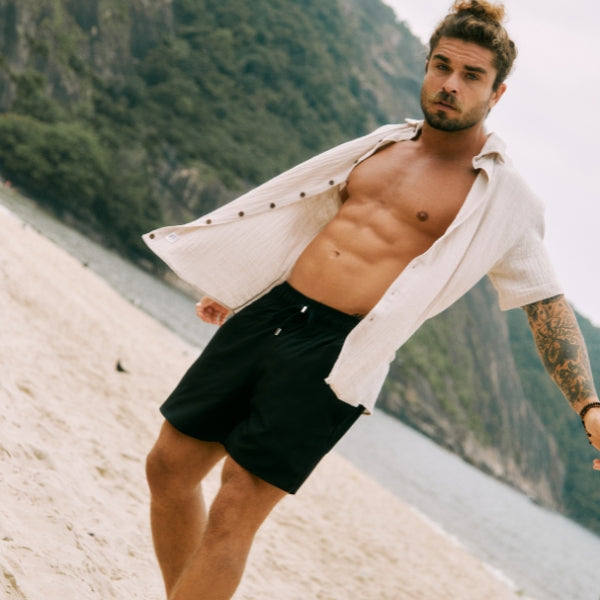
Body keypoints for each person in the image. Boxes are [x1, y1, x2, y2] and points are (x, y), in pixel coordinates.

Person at [143, 2, 600, 598]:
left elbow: (546, 304)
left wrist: (589, 406)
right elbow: (307, 218)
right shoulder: (383, 144)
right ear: (427, 65)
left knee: (234, 508)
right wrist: (242, 284)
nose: (450, 84)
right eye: (442, 66)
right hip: (272, 312)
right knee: (168, 467)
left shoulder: (503, 197)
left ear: (497, 93)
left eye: (471, 76)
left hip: (337, 351)